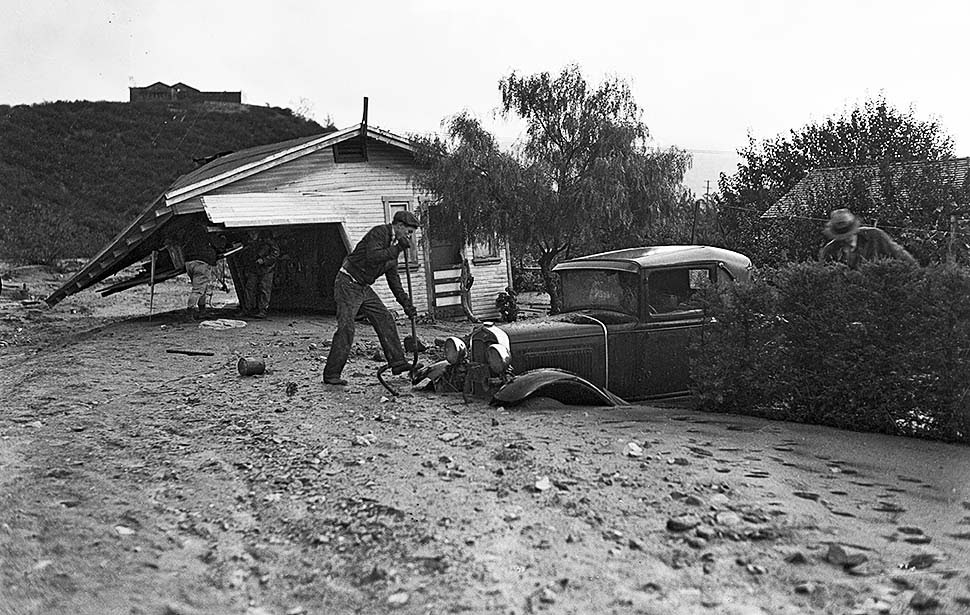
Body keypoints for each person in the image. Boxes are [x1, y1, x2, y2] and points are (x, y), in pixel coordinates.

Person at [322, 210, 421, 385]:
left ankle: (397, 362)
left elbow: (394, 281)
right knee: (347, 328)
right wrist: (397, 248)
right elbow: (373, 256)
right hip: (347, 282)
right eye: (408, 231)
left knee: (385, 318)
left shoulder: (394, 248)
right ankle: (331, 374)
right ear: (398, 226)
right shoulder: (379, 233)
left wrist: (406, 304)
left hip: (363, 287)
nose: (410, 236)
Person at [819, 208, 916, 269]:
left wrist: (918, 273)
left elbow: (900, 255)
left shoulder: (875, 236)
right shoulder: (830, 251)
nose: (846, 238)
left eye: (849, 233)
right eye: (842, 235)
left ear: (854, 229)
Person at [178, 222, 221, 320]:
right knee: (198, 290)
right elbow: (218, 244)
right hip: (202, 262)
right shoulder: (206, 231)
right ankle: (189, 313)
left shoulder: (187, 231)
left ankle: (202, 311)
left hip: (189, 262)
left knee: (202, 288)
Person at [241, 230, 280, 319]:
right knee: (249, 288)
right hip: (255, 268)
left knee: (264, 289)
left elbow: (275, 254)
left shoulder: (269, 241)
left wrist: (264, 260)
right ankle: (247, 309)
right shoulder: (254, 242)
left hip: (266, 269)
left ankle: (262, 310)